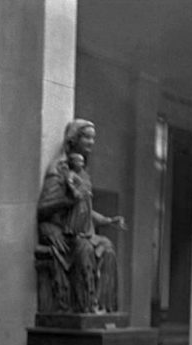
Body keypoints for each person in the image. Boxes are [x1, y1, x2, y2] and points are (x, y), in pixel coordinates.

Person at [37, 119, 126, 313]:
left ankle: (104, 308)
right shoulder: (59, 170)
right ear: (73, 139)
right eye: (86, 137)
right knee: (84, 249)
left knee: (108, 248)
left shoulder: (84, 174)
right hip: (66, 233)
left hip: (84, 231)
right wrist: (68, 201)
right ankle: (84, 308)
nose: (91, 142)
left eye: (93, 138)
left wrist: (108, 220)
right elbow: (43, 208)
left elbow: (85, 209)